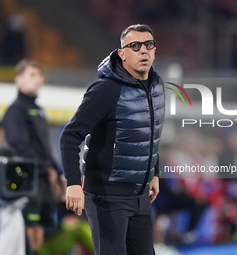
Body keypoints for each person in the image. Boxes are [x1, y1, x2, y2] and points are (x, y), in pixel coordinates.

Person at [60, 24, 165, 255]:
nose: (143, 51)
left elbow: (150, 134)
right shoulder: (105, 90)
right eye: (135, 46)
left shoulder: (157, 87)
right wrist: (74, 183)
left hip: (140, 197)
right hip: (107, 196)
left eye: (149, 45)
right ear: (122, 54)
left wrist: (154, 172)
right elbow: (70, 136)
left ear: (155, 50)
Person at [3, 60, 62, 255]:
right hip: (27, 178)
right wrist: (45, 168)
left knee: (40, 224)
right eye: (32, 75)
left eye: (39, 75)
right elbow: (19, 144)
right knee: (28, 222)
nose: (38, 79)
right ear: (18, 80)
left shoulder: (39, 110)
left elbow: (44, 147)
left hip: (44, 179)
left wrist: (56, 171)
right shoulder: (15, 110)